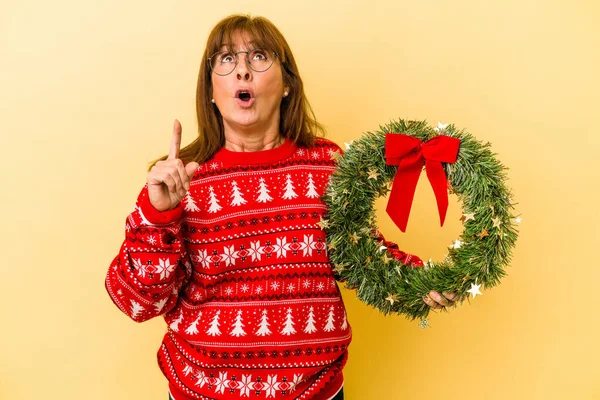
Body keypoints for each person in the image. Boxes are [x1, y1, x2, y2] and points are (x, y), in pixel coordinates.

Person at [105, 14, 460, 400]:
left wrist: (419, 283)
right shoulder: (180, 181)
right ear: (210, 89)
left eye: (258, 56)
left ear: (288, 83)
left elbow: (359, 258)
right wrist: (158, 215)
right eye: (225, 60)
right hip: (203, 391)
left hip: (315, 392)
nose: (242, 71)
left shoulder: (327, 167)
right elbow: (137, 302)